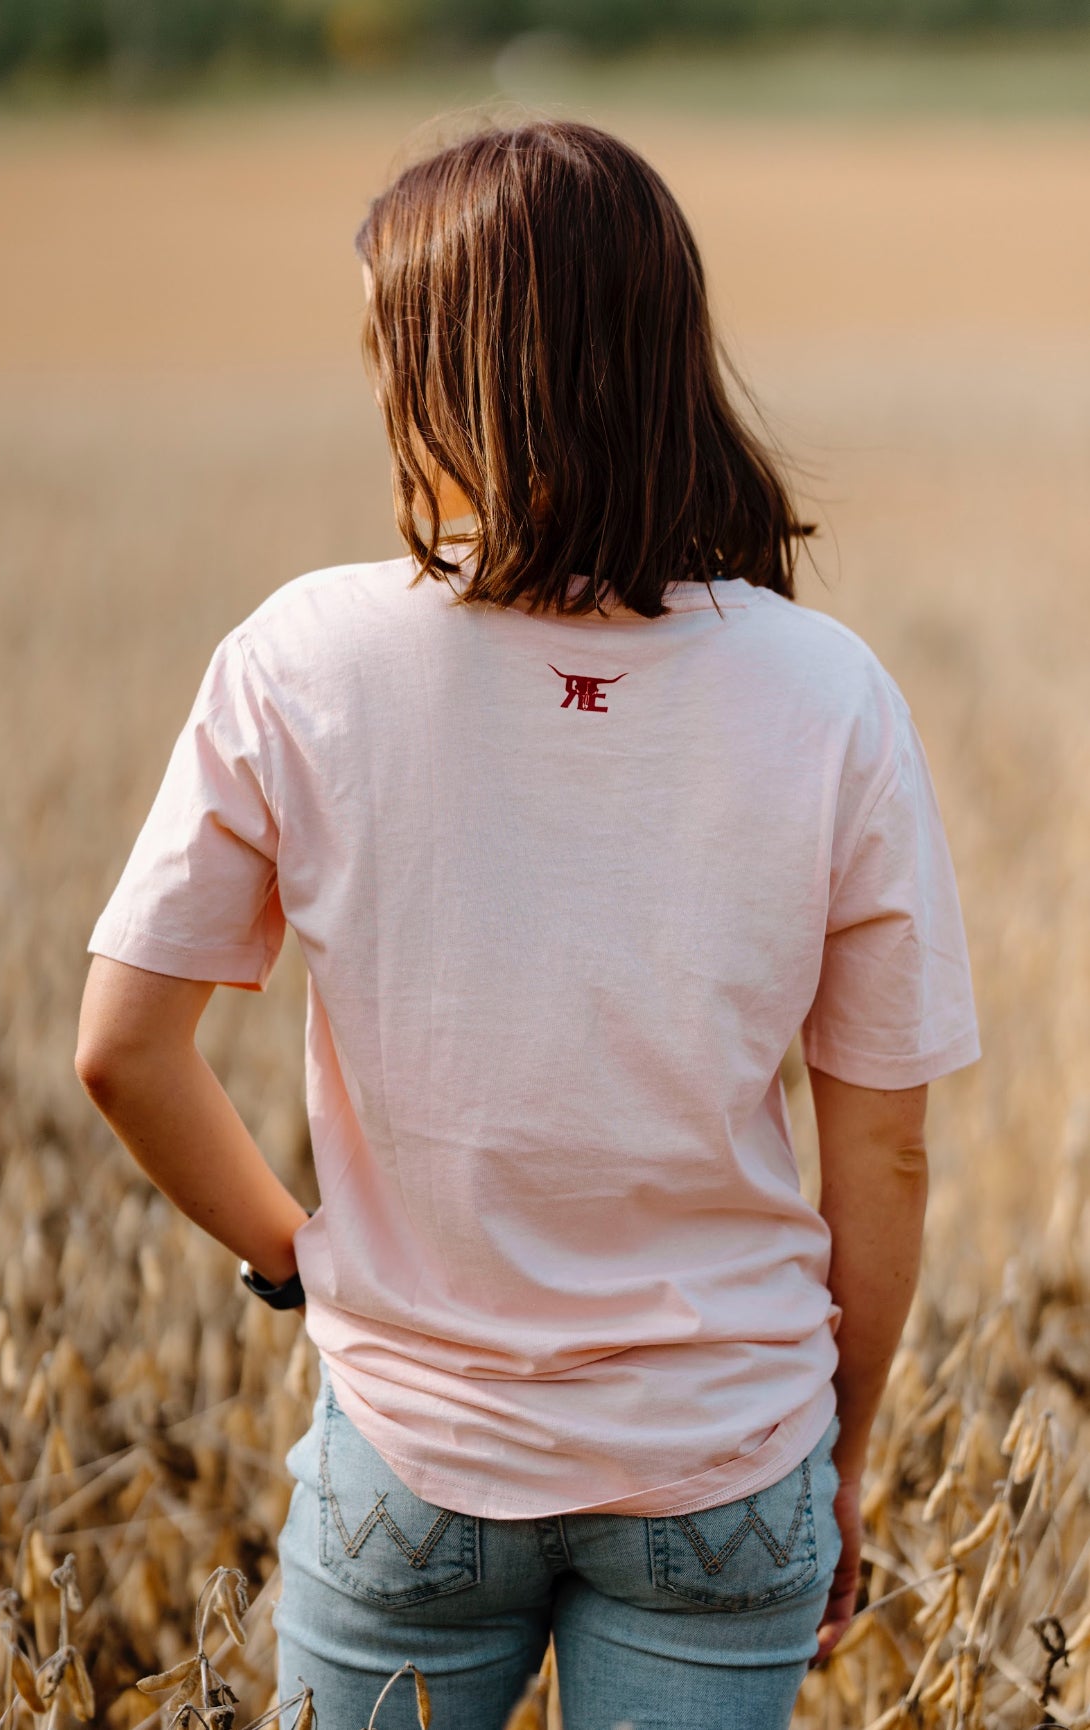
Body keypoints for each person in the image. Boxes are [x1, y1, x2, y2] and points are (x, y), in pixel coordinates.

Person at [76, 120, 981, 1730]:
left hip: (413, 1453)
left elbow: (123, 1050)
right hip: (725, 1461)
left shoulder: (301, 658)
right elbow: (885, 1152)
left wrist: (306, 1260)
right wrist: (834, 1452)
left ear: (445, 381)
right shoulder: (828, 694)